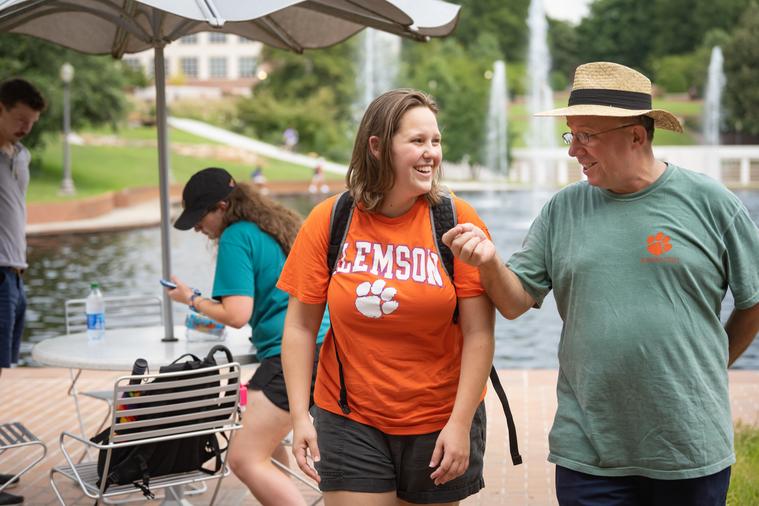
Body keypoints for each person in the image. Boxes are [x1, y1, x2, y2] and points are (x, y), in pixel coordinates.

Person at [443, 62, 759, 505]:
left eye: (588, 135)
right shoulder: (563, 209)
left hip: (689, 443)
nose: (575, 150)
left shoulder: (711, 204)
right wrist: (491, 263)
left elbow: (754, 299)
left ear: (637, 135)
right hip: (588, 449)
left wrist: (714, 360)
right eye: (572, 135)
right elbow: (515, 303)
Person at [278, 89, 495, 505]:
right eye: (417, 141)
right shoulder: (331, 219)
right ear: (377, 146)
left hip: (437, 419)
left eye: (435, 141)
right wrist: (299, 415)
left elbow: (479, 334)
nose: (431, 152)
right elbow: (300, 326)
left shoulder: (457, 220)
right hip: (348, 416)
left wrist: (460, 423)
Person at [167, 167, 329, 506]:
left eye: (200, 216)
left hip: (293, 352)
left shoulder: (236, 235)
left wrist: (191, 299)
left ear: (223, 207)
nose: (197, 227)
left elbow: (237, 314)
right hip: (326, 345)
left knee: (243, 457)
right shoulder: (273, 226)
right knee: (263, 449)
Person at [0, 78, 45, 506]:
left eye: (30, 123)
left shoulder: (21, 156)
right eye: (18, 119)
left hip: (14, 274)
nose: (24, 128)